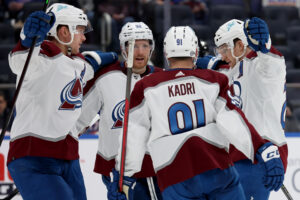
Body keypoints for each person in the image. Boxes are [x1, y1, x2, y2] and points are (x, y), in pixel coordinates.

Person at [112, 26, 284, 200]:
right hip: (217, 169)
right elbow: (232, 121)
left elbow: (133, 133)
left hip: (175, 176)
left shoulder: (147, 86)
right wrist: (262, 148)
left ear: (166, 54)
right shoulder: (214, 80)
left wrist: (123, 176)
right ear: (195, 52)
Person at [5, 3, 111, 200]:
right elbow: (19, 61)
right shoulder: (40, 57)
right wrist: (28, 38)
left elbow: (92, 63)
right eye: (80, 30)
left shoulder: (77, 63)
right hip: (33, 158)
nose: (84, 37)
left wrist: (115, 59)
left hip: (68, 159)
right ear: (64, 32)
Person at [70, 22, 163, 199]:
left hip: (151, 165)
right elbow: (78, 119)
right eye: (134, 46)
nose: (140, 52)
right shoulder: (105, 77)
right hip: (115, 165)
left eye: (145, 45)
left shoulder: (161, 78)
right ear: (123, 48)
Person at [198, 18, 288, 199]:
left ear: (240, 45)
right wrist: (209, 62)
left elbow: (270, 60)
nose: (222, 55)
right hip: (240, 155)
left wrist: (264, 44)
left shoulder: (263, 67)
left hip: (261, 155)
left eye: (224, 49)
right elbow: (217, 66)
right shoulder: (234, 66)